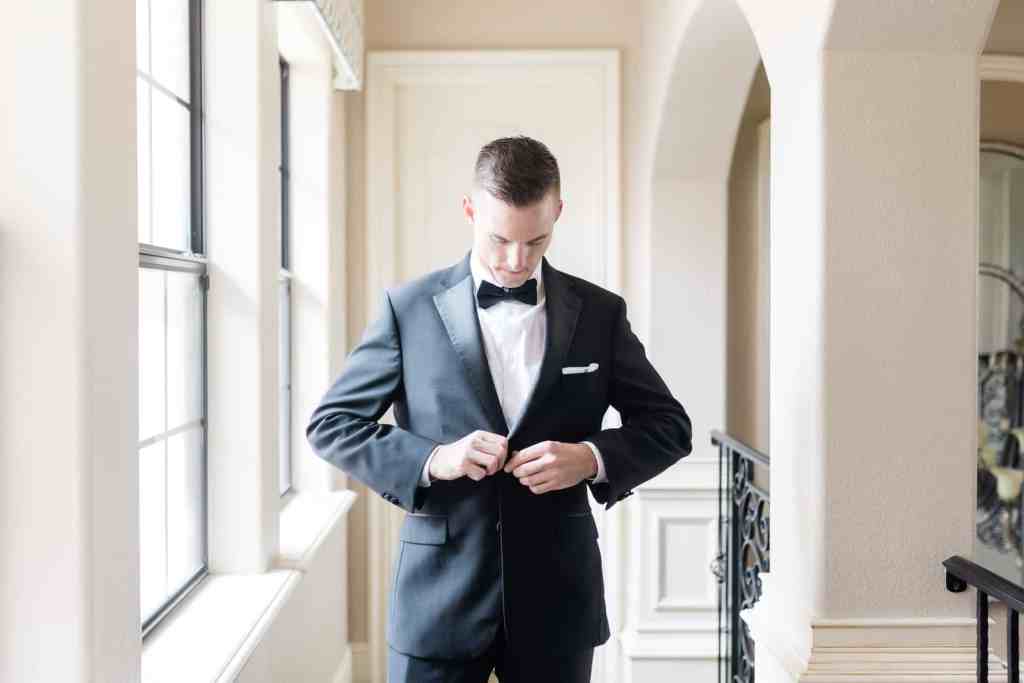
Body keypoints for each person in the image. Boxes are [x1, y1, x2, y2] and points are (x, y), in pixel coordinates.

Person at [306, 135, 692, 683]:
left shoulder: (601, 314)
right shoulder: (408, 309)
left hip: (558, 599)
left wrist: (589, 458)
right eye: (499, 240)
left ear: (558, 212)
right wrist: (432, 459)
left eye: (536, 240)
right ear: (469, 209)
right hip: (437, 600)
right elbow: (332, 425)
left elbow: (670, 427)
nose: (516, 261)